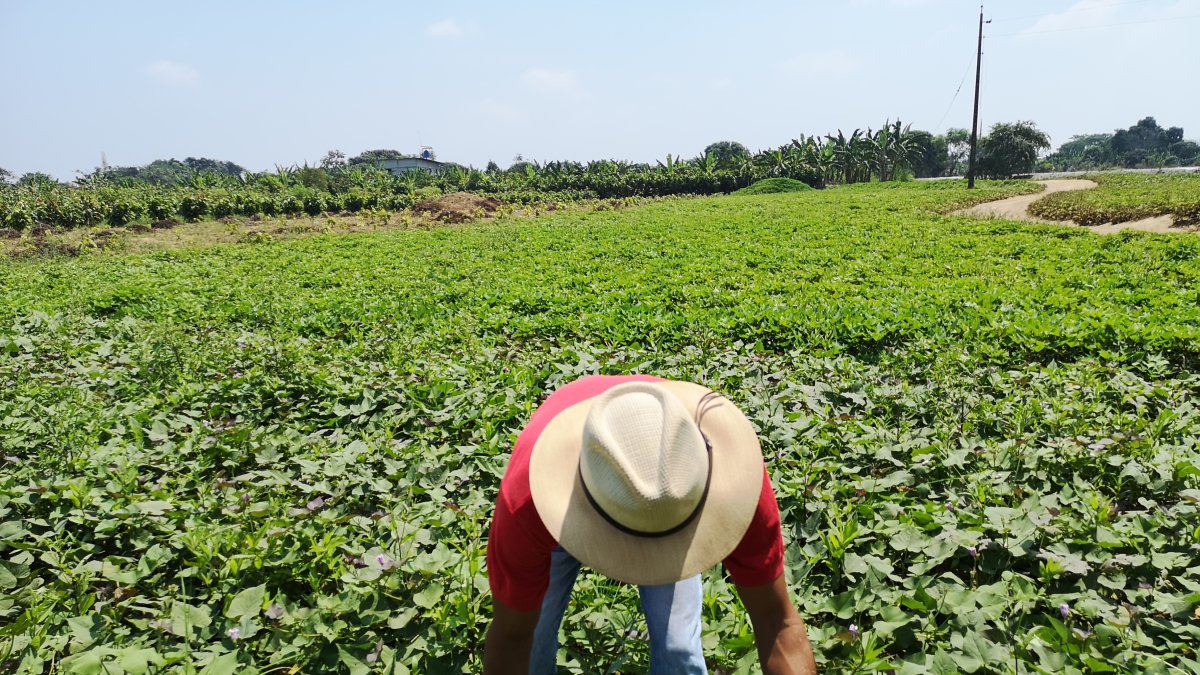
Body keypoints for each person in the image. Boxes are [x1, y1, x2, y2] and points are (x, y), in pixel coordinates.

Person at [483, 374, 817, 674]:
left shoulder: (736, 487)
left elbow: (776, 620)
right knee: (534, 647)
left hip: (663, 493)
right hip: (563, 504)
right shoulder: (529, 500)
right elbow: (512, 638)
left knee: (679, 653)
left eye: (659, 540)